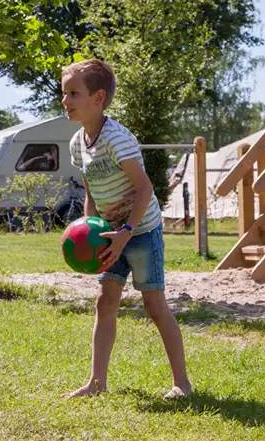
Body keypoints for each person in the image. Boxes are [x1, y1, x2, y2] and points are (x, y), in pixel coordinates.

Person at [60, 59, 192, 400]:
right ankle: (97, 382)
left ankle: (182, 384)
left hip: (141, 229)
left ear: (98, 98)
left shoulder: (117, 138)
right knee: (105, 301)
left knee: (154, 305)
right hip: (109, 234)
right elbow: (91, 192)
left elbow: (145, 188)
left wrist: (127, 232)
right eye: (64, 93)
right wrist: (90, 230)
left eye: (73, 93)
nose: (65, 100)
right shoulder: (77, 143)